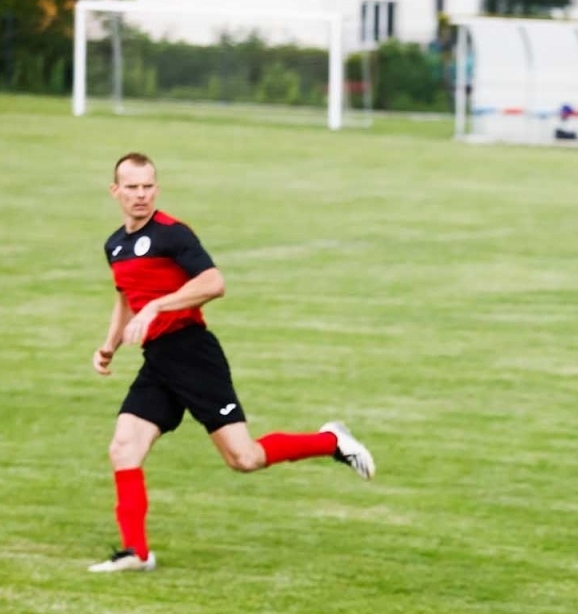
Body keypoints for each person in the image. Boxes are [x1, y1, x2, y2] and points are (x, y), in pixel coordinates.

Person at [90, 152, 373, 573]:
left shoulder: (173, 234)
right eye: (131, 187)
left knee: (245, 459)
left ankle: (331, 441)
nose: (141, 195)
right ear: (115, 191)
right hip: (159, 362)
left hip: (193, 355)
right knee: (124, 447)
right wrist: (109, 345)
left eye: (148, 186)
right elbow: (125, 298)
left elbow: (214, 283)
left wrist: (158, 308)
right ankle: (137, 553)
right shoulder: (115, 245)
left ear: (157, 188)